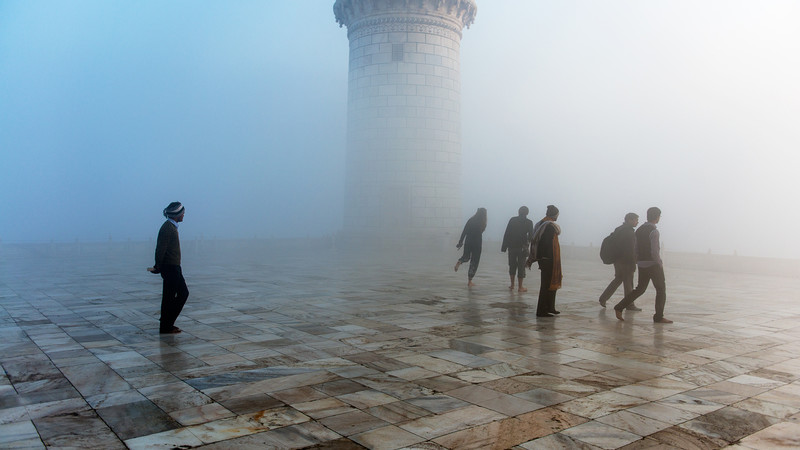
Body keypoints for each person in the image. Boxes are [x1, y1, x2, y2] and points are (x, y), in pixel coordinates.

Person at [613, 207, 673, 323]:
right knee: (661, 290)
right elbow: (655, 251)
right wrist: (659, 263)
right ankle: (658, 317)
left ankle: (619, 307)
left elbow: (635, 248)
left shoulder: (639, 230)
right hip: (653, 265)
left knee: (640, 289)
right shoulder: (654, 231)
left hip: (642, 264)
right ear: (657, 217)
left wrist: (638, 261)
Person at [148, 202, 189, 334]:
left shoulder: (171, 226)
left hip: (174, 266)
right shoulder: (168, 228)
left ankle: (167, 323)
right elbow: (161, 248)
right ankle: (166, 326)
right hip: (170, 267)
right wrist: (158, 266)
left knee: (179, 294)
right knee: (172, 297)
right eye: (182, 213)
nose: (184, 215)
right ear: (177, 214)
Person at [599, 213, 642, 311]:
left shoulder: (619, 229)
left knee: (618, 279)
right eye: (636, 220)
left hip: (617, 260)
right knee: (628, 283)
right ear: (630, 220)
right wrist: (633, 263)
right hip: (626, 261)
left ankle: (603, 298)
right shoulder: (628, 232)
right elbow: (630, 250)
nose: (637, 222)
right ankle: (629, 304)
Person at [528, 205, 563, 317]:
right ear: (554, 215)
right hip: (548, 259)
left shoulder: (541, 223)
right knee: (546, 284)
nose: (557, 217)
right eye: (557, 215)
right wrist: (545, 257)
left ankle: (550, 307)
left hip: (543, 258)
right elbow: (546, 243)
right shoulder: (549, 226)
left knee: (549, 283)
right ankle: (542, 310)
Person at [501, 206, 534, 292]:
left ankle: (512, 285)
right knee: (521, 266)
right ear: (527, 213)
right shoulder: (529, 222)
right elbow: (531, 236)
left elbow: (507, 233)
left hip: (512, 246)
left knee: (512, 265)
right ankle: (520, 287)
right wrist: (528, 244)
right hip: (522, 248)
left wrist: (504, 246)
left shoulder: (513, 220)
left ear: (519, 211)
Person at [455, 207, 487, 287]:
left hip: (468, 241)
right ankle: (469, 281)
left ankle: (460, 261)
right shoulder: (482, 222)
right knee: (474, 261)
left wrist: (460, 242)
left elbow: (464, 232)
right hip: (477, 243)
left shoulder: (471, 220)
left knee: (466, 257)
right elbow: (482, 231)